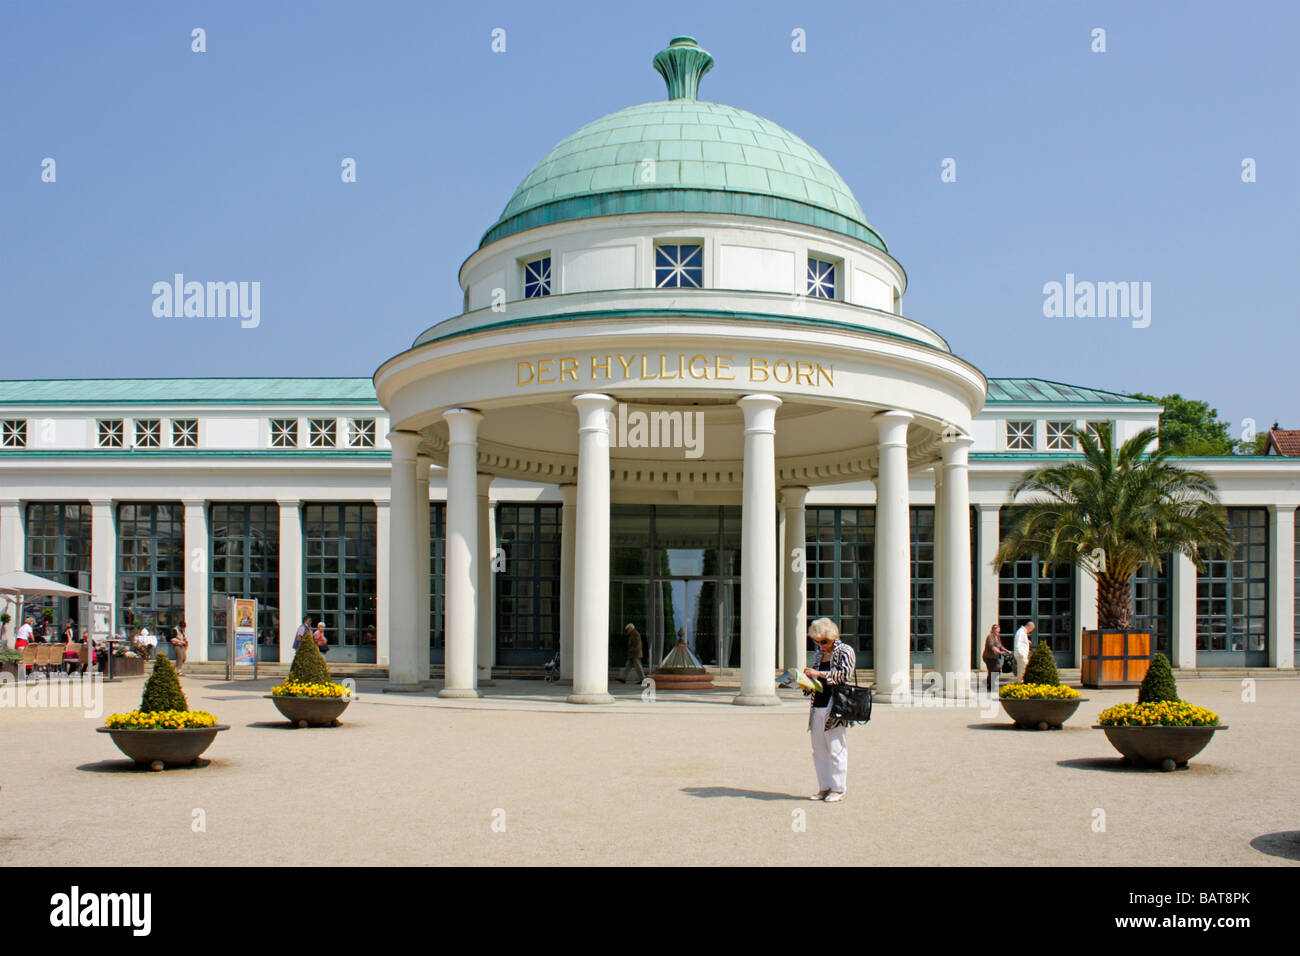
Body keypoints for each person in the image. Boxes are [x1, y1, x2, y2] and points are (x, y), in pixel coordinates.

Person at [802, 617, 856, 803]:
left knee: (836, 748)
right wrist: (805, 682)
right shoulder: (818, 654)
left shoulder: (845, 651)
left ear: (832, 636)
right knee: (818, 749)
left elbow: (843, 675)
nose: (821, 645)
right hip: (818, 704)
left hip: (836, 705)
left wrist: (819, 674)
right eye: (817, 642)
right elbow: (817, 682)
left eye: (824, 641)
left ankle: (838, 788)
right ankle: (824, 786)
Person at [981, 624, 1012, 691]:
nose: (998, 632)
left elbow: (1000, 646)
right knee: (992, 670)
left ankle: (989, 683)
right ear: (993, 630)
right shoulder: (990, 637)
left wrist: (1007, 651)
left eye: (998, 631)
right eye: (997, 631)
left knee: (996, 670)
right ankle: (990, 685)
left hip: (995, 657)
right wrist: (999, 652)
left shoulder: (997, 637)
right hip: (989, 657)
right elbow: (991, 646)